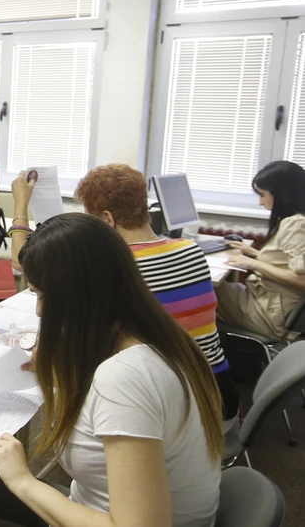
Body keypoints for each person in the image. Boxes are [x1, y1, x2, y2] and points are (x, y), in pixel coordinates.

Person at [0, 213, 224, 527]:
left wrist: (23, 481)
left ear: (80, 297)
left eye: (42, 295)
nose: (39, 310)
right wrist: (64, 372)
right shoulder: (157, 337)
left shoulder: (124, 379)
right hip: (94, 505)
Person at [73, 163, 239, 426]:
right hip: (220, 391)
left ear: (107, 219)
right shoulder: (191, 249)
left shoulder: (117, 267)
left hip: (178, 406)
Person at [216, 160, 305, 339]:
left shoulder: (295, 224)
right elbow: (288, 263)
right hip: (270, 303)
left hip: (270, 313)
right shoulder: (298, 219)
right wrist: (255, 254)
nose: (260, 202)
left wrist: (253, 263)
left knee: (196, 290)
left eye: (263, 194)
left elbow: (302, 280)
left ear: (282, 194)